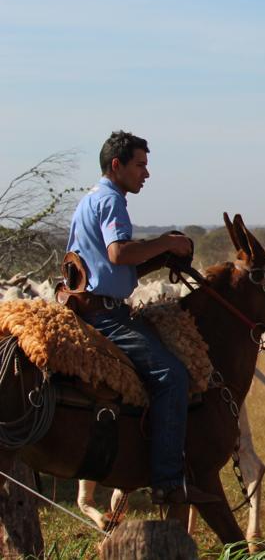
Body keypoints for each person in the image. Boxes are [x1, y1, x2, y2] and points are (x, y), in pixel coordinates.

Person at [64, 130, 219, 505]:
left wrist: (161, 254)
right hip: (106, 314)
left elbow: (113, 267)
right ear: (117, 166)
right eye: (140, 165)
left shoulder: (91, 200)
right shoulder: (112, 201)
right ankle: (167, 480)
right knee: (171, 376)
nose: (146, 174)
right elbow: (118, 254)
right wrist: (166, 242)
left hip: (93, 304)